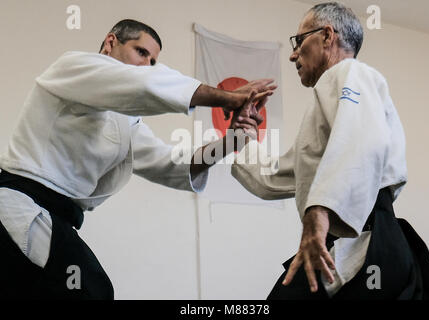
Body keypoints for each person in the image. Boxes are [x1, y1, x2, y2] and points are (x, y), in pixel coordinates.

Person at [0, 19, 273, 299]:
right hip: (20, 206)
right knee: (91, 291)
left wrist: (233, 140)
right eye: (141, 52)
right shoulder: (73, 67)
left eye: (153, 61)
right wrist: (229, 98)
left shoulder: (125, 122)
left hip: (54, 218)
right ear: (110, 43)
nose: (147, 65)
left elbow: (172, 164)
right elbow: (143, 85)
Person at [231, 2, 429, 299]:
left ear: (327, 35)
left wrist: (318, 215)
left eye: (299, 41)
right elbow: (276, 178)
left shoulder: (352, 73)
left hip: (366, 242)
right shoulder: (330, 109)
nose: (293, 54)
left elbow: (362, 143)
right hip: (351, 243)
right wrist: (244, 136)